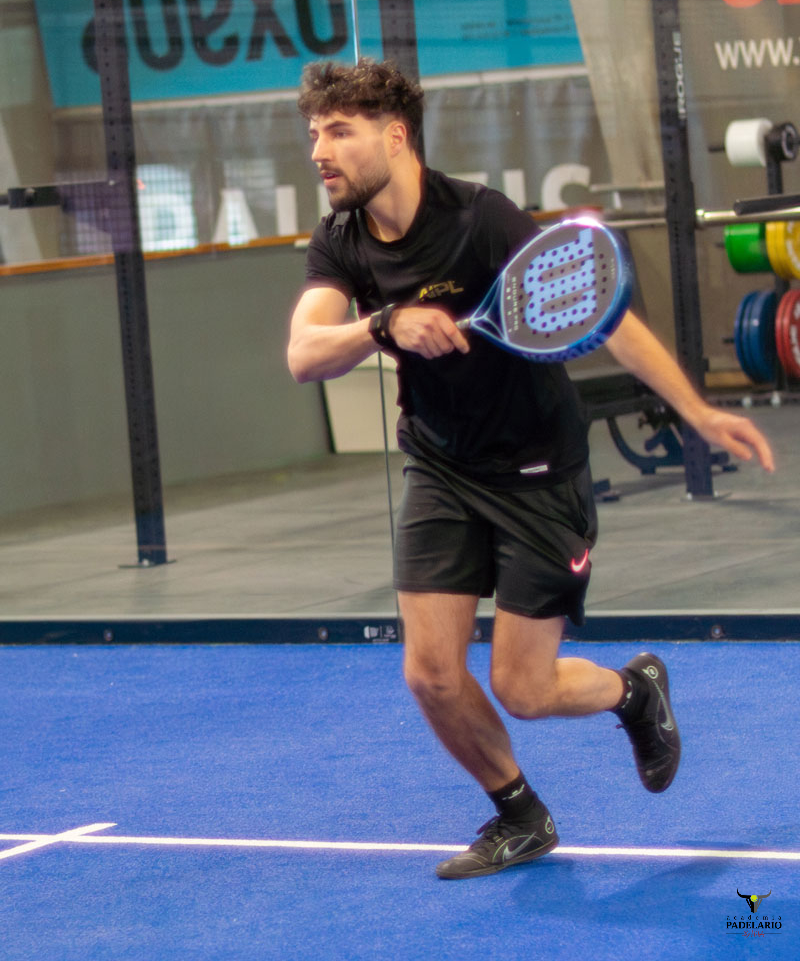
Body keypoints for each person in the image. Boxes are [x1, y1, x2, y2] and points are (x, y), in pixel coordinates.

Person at [286, 57, 775, 881]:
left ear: (395, 136)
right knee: (430, 673)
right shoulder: (340, 239)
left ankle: (634, 691)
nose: (319, 152)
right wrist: (386, 324)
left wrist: (698, 413)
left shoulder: (480, 218)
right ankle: (520, 816)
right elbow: (304, 354)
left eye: (339, 132)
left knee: (524, 687)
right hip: (441, 465)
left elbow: (602, 310)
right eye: (313, 135)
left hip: (537, 468)